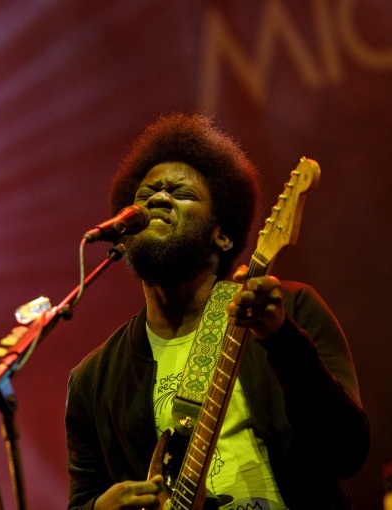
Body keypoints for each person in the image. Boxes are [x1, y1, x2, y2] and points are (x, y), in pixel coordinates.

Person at [65, 113, 370, 509]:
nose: (158, 198)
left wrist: (281, 339)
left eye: (182, 193)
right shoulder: (93, 380)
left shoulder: (289, 310)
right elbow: (84, 499)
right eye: (146, 194)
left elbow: (348, 451)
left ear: (222, 234)